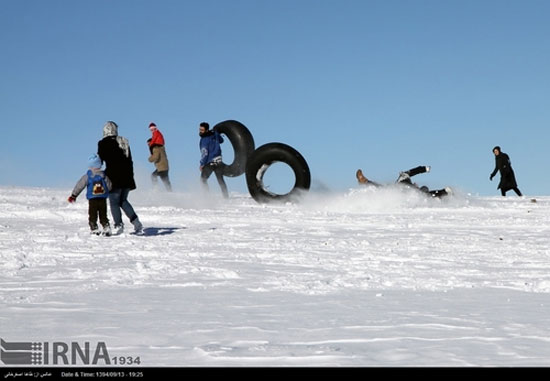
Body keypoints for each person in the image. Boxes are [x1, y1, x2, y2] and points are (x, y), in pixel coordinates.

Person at [97, 121, 143, 234]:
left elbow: (100, 160)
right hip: (127, 177)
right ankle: (136, 222)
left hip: (114, 177)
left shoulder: (103, 143)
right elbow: (129, 160)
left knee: (114, 202)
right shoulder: (124, 142)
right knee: (123, 200)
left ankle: (118, 225)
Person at [68, 154, 112, 236]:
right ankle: (106, 227)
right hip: (102, 199)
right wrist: (108, 191)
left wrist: (74, 195)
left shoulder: (87, 176)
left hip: (92, 199)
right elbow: (109, 186)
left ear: (90, 166)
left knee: (92, 214)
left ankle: (94, 228)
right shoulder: (104, 176)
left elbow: (79, 185)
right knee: (103, 214)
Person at [356, 165, 451, 198]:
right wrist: (423, 169)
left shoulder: (419, 195)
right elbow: (411, 172)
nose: (417, 185)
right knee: (384, 189)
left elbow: (431, 195)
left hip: (404, 197)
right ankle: (365, 181)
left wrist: (444, 192)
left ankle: (365, 181)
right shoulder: (405, 179)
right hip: (399, 190)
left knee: (384, 189)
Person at [199, 122, 229, 198]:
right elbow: (221, 140)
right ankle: (226, 197)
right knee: (220, 180)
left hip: (210, 162)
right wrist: (216, 134)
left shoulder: (204, 140)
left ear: (206, 130)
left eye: (202, 130)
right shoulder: (215, 134)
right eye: (200, 129)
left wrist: (202, 164)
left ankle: (207, 196)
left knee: (203, 179)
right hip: (219, 161)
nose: (200, 131)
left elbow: (205, 153)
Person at [147, 122, 172, 191]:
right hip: (163, 166)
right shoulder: (159, 147)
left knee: (154, 176)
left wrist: (150, 159)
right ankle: (170, 191)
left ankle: (156, 189)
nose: (148, 145)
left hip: (162, 167)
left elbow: (156, 157)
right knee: (165, 181)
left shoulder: (156, 148)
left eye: (149, 144)